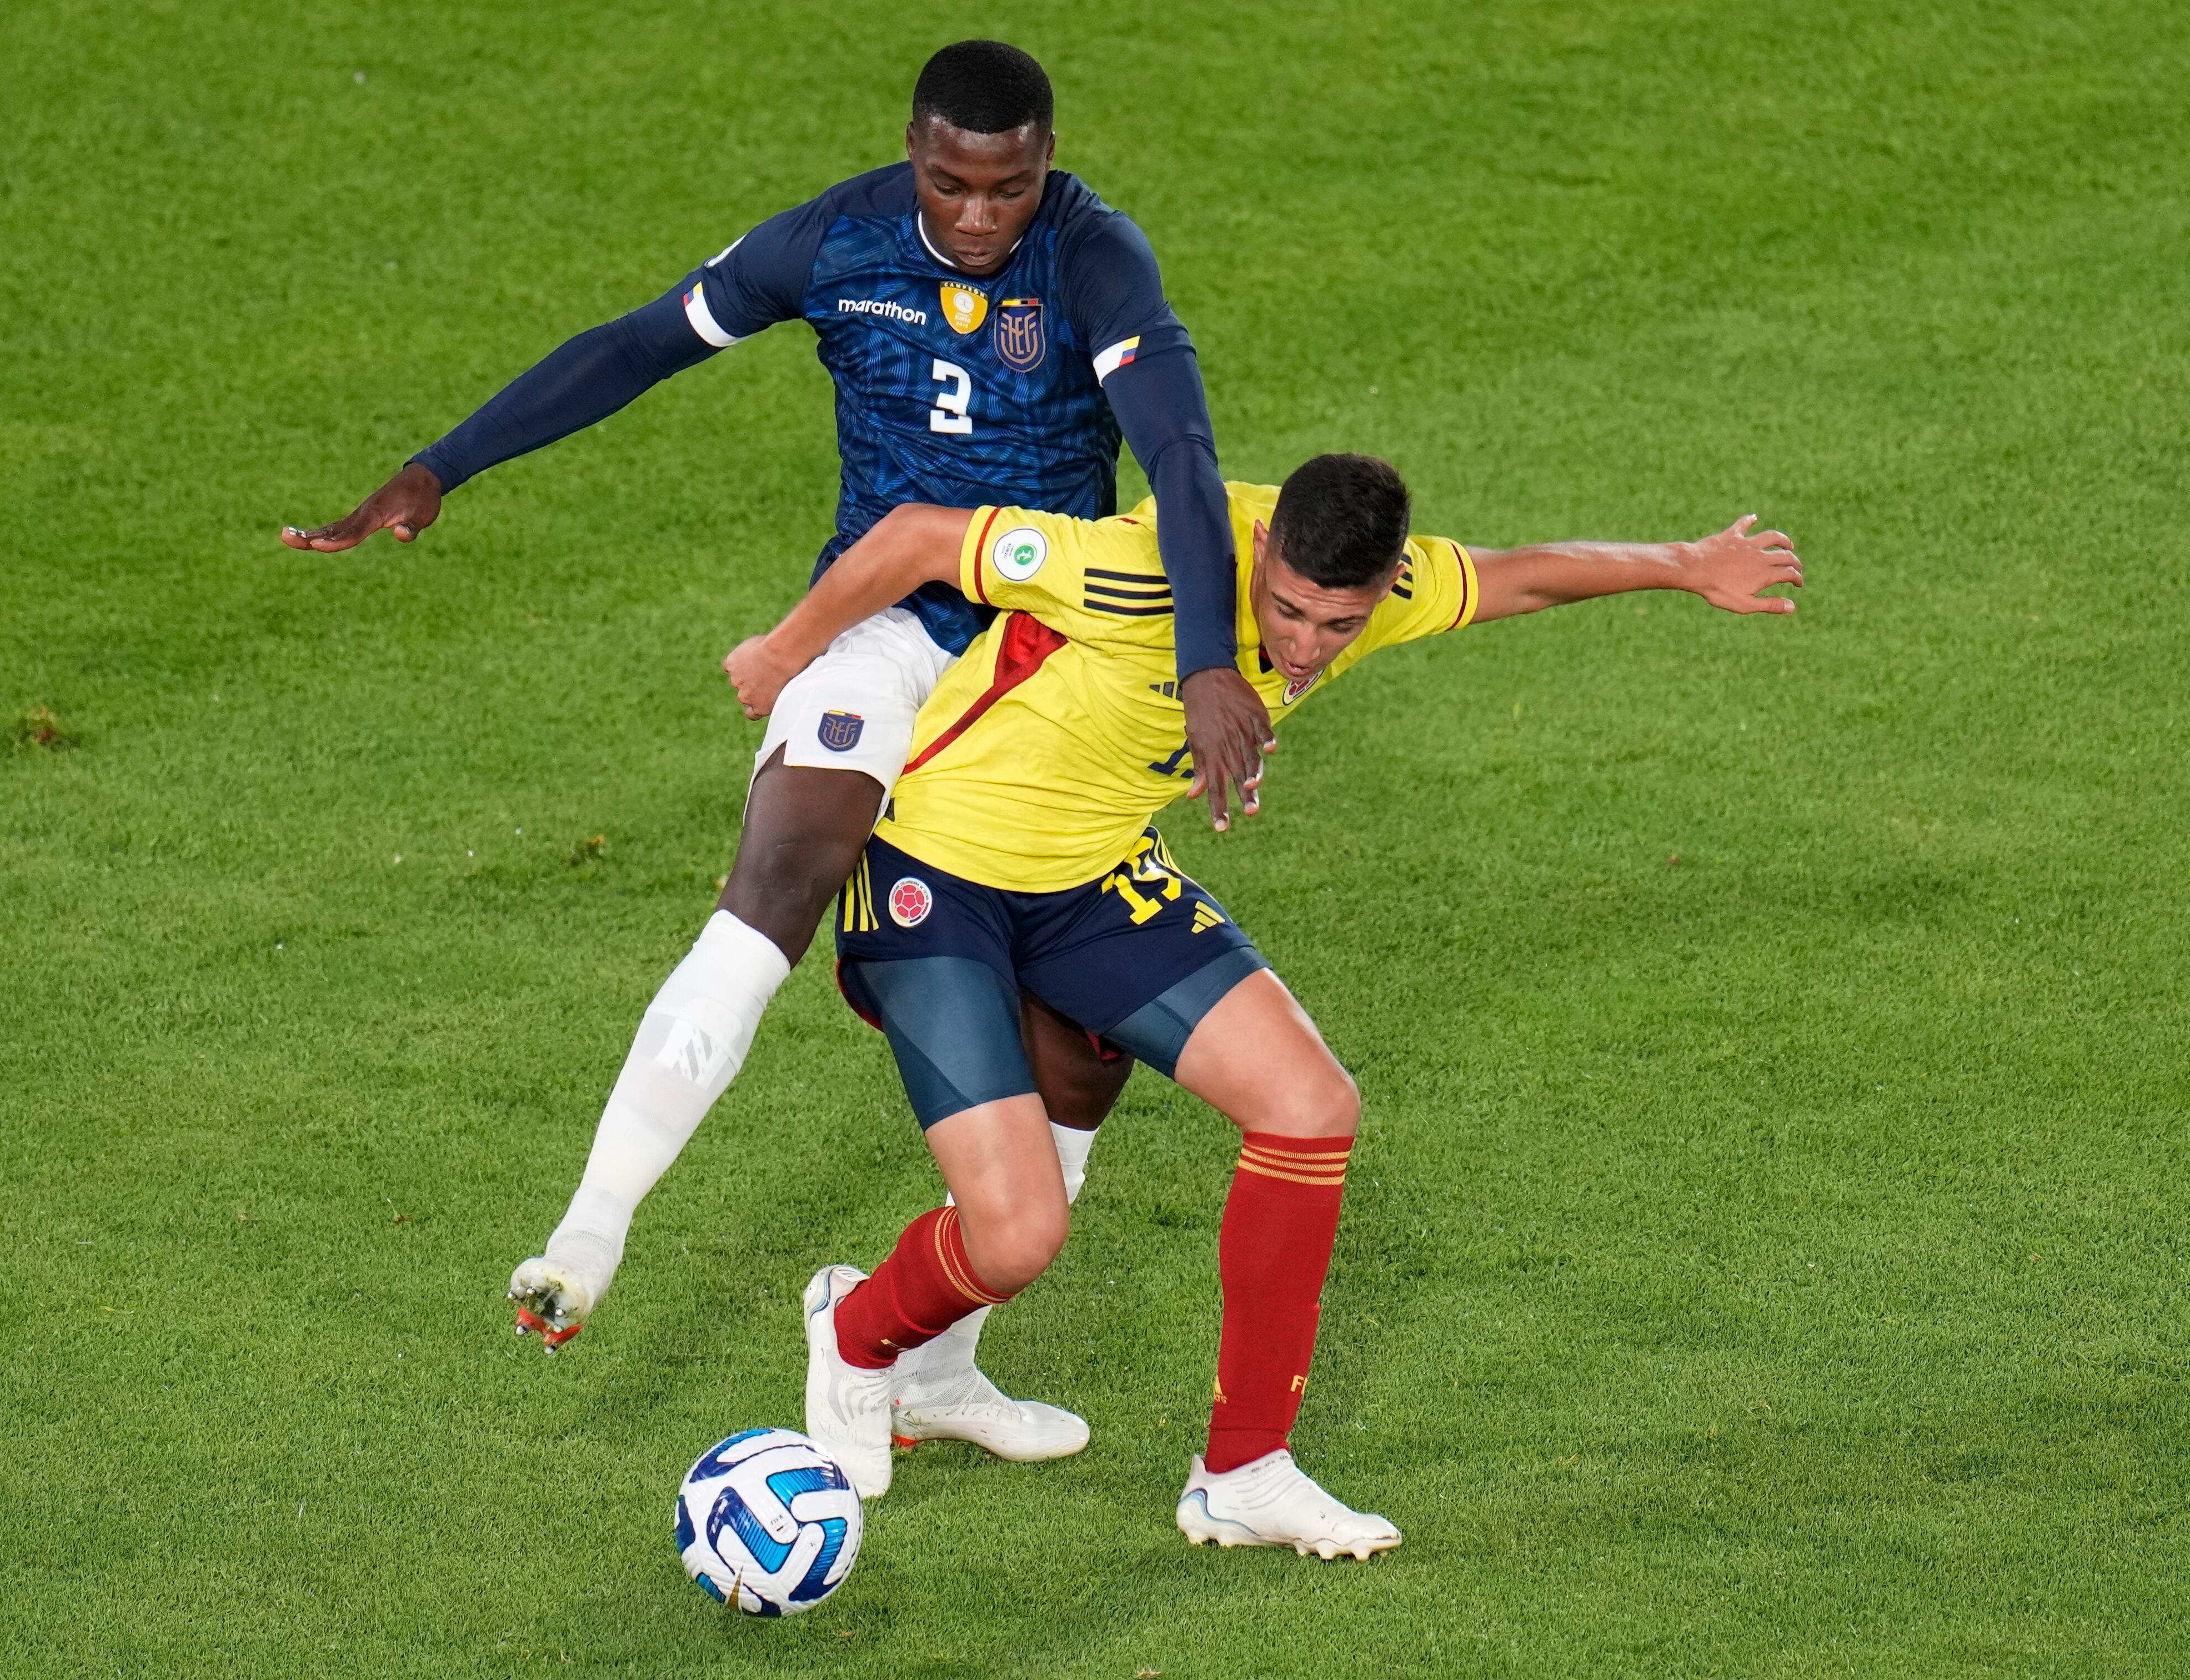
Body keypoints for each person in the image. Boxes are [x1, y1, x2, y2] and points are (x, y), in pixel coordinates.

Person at [279, 41, 1270, 1456]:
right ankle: (588, 1233)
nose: (984, 215)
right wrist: (444, 463)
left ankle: (937, 1371)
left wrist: (1205, 660)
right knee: (781, 879)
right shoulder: (834, 239)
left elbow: (1180, 457)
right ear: (913, 156)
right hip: (878, 624)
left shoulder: (1097, 256)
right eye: (953, 183)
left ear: (1044, 164)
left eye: (1012, 186)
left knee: (1085, 1049)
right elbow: (636, 344)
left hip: (1039, 659)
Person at [720, 453, 1801, 1548]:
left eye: (1340, 625)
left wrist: (1683, 565)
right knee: (1018, 1236)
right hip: (936, 869)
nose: (1304, 647)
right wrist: (782, 652)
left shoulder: (1387, 593)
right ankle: (857, 1334)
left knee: (1309, 1103)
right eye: (1287, 610)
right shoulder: (1138, 569)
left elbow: (1516, 575)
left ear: (1380, 592)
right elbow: (913, 536)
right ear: (1262, 552)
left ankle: (1241, 1471)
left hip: (1086, 880)